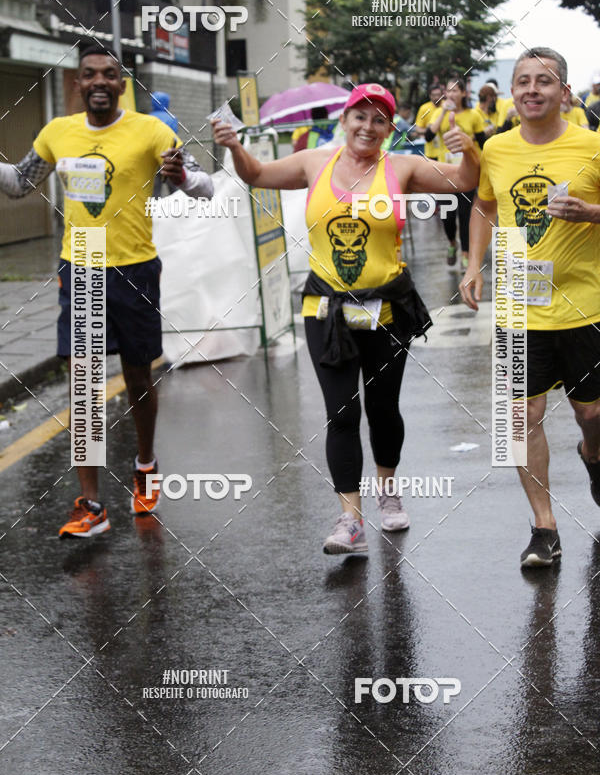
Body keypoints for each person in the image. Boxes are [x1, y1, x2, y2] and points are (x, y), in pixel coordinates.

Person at [212, 83, 479, 555]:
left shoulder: (402, 167)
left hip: (387, 310)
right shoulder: (315, 163)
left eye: (379, 119)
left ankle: (388, 491)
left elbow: (462, 180)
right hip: (326, 309)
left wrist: (469, 150)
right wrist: (234, 145)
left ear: (388, 127)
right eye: (360, 116)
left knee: (383, 408)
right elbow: (256, 174)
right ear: (345, 119)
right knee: (341, 412)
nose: (368, 127)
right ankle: (350, 519)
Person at [0, 46, 214, 537]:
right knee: (84, 384)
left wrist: (182, 176)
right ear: (78, 83)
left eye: (109, 74)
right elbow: (18, 185)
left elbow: (203, 187)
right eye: (89, 74)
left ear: (122, 84)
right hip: (82, 264)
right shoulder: (57, 132)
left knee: (138, 378)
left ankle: (145, 463)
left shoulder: (152, 131)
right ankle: (91, 504)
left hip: (135, 267)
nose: (99, 81)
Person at [460, 47, 600, 568]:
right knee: (520, 417)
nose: (532, 89)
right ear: (512, 91)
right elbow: (485, 204)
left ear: (564, 92)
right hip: (519, 306)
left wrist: (592, 212)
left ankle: (592, 453)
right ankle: (545, 528)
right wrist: (474, 264)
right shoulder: (496, 148)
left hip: (586, 306)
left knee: (592, 413)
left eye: (544, 81)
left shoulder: (592, 145)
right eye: (523, 81)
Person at [426, 76, 486, 270]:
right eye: (448, 90)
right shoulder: (439, 112)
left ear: (463, 93)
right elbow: (429, 136)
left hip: (466, 172)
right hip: (444, 172)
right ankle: (452, 243)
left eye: (455, 90)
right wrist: (443, 112)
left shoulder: (473, 115)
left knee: (465, 214)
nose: (451, 94)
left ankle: (465, 254)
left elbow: (483, 142)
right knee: (447, 216)